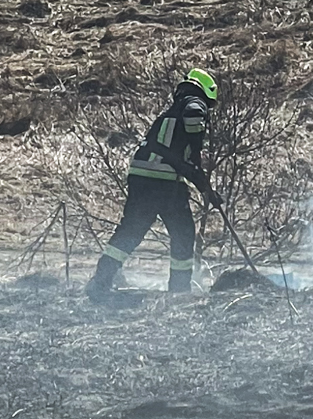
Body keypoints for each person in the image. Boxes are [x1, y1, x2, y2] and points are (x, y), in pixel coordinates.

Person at [88, 67, 221, 298]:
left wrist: (200, 180)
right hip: (164, 182)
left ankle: (101, 280)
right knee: (183, 234)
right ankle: (179, 292)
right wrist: (197, 150)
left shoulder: (170, 113)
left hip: (141, 179)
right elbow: (194, 117)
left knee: (131, 230)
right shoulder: (194, 104)